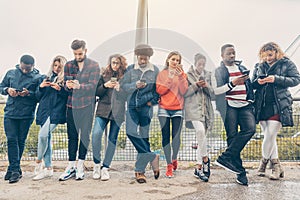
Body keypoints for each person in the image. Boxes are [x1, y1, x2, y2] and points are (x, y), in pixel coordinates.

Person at [252, 42, 300, 180]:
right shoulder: (259, 66)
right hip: (262, 105)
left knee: (269, 135)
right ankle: (277, 166)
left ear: (276, 52)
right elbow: (252, 83)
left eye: (270, 55)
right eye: (264, 56)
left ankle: (263, 164)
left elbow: (296, 79)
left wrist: (276, 79)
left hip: (278, 105)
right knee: (269, 137)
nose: (267, 58)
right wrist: (258, 82)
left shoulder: (287, 64)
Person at [213, 44, 255, 186]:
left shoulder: (242, 68)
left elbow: (248, 85)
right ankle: (240, 173)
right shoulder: (219, 71)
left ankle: (225, 157)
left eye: (233, 53)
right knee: (232, 137)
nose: (232, 56)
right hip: (229, 105)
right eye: (229, 53)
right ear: (222, 56)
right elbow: (216, 90)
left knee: (250, 129)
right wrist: (233, 83)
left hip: (245, 105)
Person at [59, 40, 100, 181]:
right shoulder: (68, 65)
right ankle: (71, 166)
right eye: (75, 54)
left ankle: (80, 165)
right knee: (72, 136)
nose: (78, 56)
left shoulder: (94, 65)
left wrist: (79, 86)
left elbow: (93, 86)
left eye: (80, 53)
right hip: (71, 105)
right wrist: (68, 85)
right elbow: (64, 86)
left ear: (85, 50)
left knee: (84, 136)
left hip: (87, 105)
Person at [120, 44, 160, 184]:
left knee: (144, 138)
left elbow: (158, 90)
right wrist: (134, 86)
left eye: (145, 59)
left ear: (149, 57)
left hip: (146, 108)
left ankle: (140, 171)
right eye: (140, 58)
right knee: (130, 132)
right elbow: (123, 86)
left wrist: (152, 102)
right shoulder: (130, 69)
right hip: (131, 107)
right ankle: (152, 156)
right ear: (137, 57)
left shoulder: (155, 70)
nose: (142, 61)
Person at [0, 55, 41, 183]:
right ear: (19, 64)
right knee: (11, 140)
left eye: (27, 69)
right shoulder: (10, 73)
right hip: (10, 113)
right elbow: (1, 87)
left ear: (32, 66)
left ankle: (12, 169)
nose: (24, 71)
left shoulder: (38, 77)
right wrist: (8, 90)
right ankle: (16, 170)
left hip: (26, 114)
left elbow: (39, 96)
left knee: (20, 141)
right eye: (23, 68)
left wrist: (28, 93)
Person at [92, 54, 127, 181]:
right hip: (103, 110)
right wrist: (105, 85)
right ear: (110, 63)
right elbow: (96, 92)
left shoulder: (126, 77)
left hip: (118, 112)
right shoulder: (104, 75)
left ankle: (105, 168)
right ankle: (96, 164)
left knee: (112, 140)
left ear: (121, 64)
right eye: (113, 63)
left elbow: (128, 95)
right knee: (96, 135)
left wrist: (120, 88)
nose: (115, 65)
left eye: (117, 63)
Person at [32, 55, 68, 180]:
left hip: (56, 113)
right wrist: (41, 87)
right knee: (46, 138)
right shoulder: (45, 77)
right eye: (55, 65)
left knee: (42, 136)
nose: (57, 68)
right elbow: (37, 97)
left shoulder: (65, 80)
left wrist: (60, 89)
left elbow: (69, 96)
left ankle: (38, 162)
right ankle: (48, 168)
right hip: (43, 111)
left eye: (60, 66)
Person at [156, 51, 188, 178]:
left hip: (178, 109)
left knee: (176, 137)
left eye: (178, 60)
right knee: (165, 137)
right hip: (164, 108)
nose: (175, 62)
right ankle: (169, 165)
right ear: (168, 60)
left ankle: (174, 158)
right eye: (173, 59)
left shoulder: (182, 75)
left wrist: (180, 77)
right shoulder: (162, 74)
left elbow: (184, 91)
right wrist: (169, 78)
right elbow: (160, 90)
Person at [184, 53, 214, 182]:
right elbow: (185, 93)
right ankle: (206, 159)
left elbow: (213, 94)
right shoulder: (187, 75)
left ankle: (198, 167)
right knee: (200, 132)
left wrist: (206, 86)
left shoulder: (208, 75)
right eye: (199, 64)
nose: (201, 67)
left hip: (206, 111)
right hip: (193, 110)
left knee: (201, 139)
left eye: (203, 64)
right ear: (195, 63)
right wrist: (196, 85)